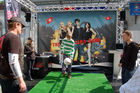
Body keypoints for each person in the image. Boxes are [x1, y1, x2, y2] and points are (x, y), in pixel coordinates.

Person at [0, 17, 27, 93]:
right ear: (16, 25)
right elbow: (13, 61)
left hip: (4, 78)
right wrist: (21, 81)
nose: (22, 29)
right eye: (21, 26)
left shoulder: (3, 37)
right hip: (12, 80)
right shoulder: (13, 38)